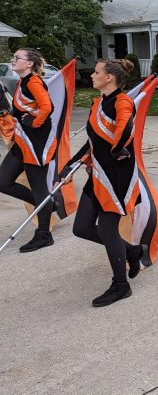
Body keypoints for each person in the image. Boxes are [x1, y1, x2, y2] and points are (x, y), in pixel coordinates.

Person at [63, 59, 149, 306]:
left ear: (109, 77)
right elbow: (93, 141)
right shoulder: (99, 103)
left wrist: (118, 148)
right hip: (98, 175)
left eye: (97, 72)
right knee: (82, 227)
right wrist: (72, 163)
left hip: (117, 177)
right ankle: (132, 251)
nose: (92, 75)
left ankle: (121, 286)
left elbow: (125, 128)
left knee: (107, 228)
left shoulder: (123, 102)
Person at [0, 48, 57, 252]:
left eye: (17, 58)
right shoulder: (23, 82)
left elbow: (47, 107)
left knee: (39, 186)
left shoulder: (33, 81)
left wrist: (35, 122)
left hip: (36, 143)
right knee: (3, 181)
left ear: (29, 64)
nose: (13, 60)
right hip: (22, 141)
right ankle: (47, 203)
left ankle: (44, 235)